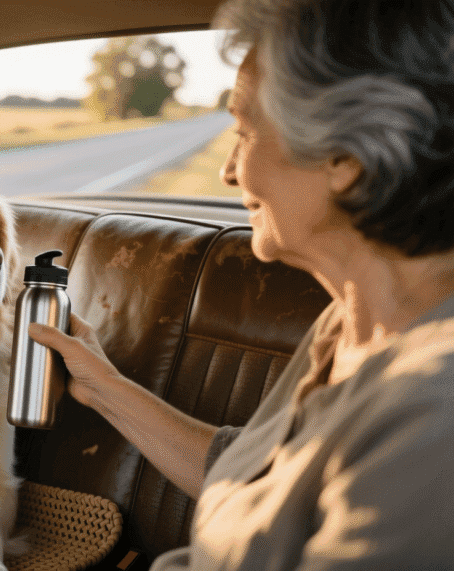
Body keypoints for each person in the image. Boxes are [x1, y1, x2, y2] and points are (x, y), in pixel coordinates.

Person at [28, 0, 454, 568]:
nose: (229, 171)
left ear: (344, 156)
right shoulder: (346, 320)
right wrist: (102, 384)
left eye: (244, 131)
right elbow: (249, 472)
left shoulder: (428, 421)